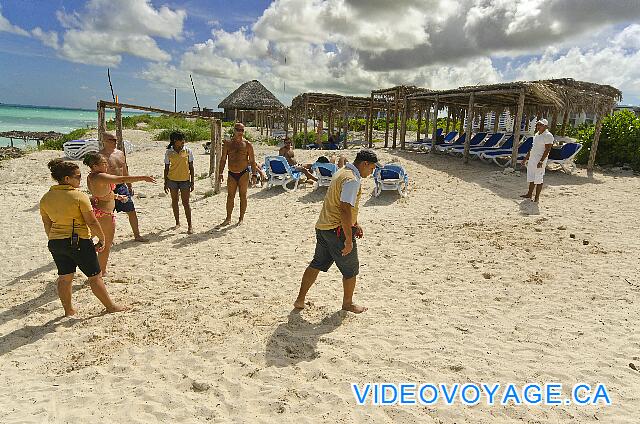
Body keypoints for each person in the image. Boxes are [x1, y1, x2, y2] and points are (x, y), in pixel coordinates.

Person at [294, 149, 379, 314]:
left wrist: (356, 223)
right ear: (365, 164)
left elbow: (342, 204)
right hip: (337, 231)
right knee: (351, 269)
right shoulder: (352, 180)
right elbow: (345, 209)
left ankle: (300, 299)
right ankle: (347, 304)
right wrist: (348, 240)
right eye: (372, 168)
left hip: (323, 227)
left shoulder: (341, 172)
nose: (372, 172)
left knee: (317, 263)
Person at [40, 159, 127, 316]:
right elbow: (92, 221)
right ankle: (111, 306)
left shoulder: (46, 198)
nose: (81, 179)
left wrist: (55, 239)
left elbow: (47, 225)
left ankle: (68, 310)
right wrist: (102, 238)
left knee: (65, 278)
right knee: (95, 277)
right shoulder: (78, 196)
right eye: (78, 176)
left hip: (55, 242)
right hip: (78, 241)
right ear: (67, 179)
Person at [83, 152, 156, 275]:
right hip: (104, 214)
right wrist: (143, 177)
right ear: (94, 166)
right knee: (105, 244)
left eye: (106, 163)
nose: (106, 165)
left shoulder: (92, 176)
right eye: (103, 163)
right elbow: (121, 179)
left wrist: (116, 196)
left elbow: (102, 193)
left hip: (98, 211)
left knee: (91, 239)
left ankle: (87, 262)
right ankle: (102, 271)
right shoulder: (100, 176)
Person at [99, 132, 147, 242]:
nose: (115, 142)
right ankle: (104, 239)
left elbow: (124, 169)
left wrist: (129, 185)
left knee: (131, 210)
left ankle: (137, 235)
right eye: (112, 140)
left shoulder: (120, 153)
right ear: (104, 141)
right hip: (107, 187)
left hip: (121, 185)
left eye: (116, 140)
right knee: (105, 214)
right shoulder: (100, 156)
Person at [218, 122, 259, 226]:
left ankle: (241, 218)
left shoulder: (247, 144)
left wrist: (254, 175)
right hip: (231, 173)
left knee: (243, 196)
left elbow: (252, 160)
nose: (240, 132)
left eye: (242, 130)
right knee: (230, 196)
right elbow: (223, 159)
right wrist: (220, 173)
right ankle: (228, 218)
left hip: (243, 173)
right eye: (238, 130)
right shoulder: (228, 144)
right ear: (234, 130)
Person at [164, 130, 195, 233]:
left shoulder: (188, 151)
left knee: (186, 203)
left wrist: (192, 181)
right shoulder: (169, 152)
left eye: (183, 139)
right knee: (174, 201)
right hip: (172, 180)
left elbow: (191, 167)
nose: (183, 141)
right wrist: (165, 182)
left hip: (185, 180)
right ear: (174, 140)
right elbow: (166, 168)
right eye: (181, 139)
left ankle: (190, 225)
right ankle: (177, 222)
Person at [521, 119, 554, 202]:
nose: (538, 126)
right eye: (538, 124)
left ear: (545, 126)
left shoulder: (548, 136)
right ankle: (529, 194)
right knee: (531, 176)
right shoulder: (537, 134)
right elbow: (533, 148)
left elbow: (547, 149)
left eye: (541, 125)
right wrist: (526, 158)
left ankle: (537, 197)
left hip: (540, 160)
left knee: (539, 178)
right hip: (532, 158)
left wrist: (541, 161)